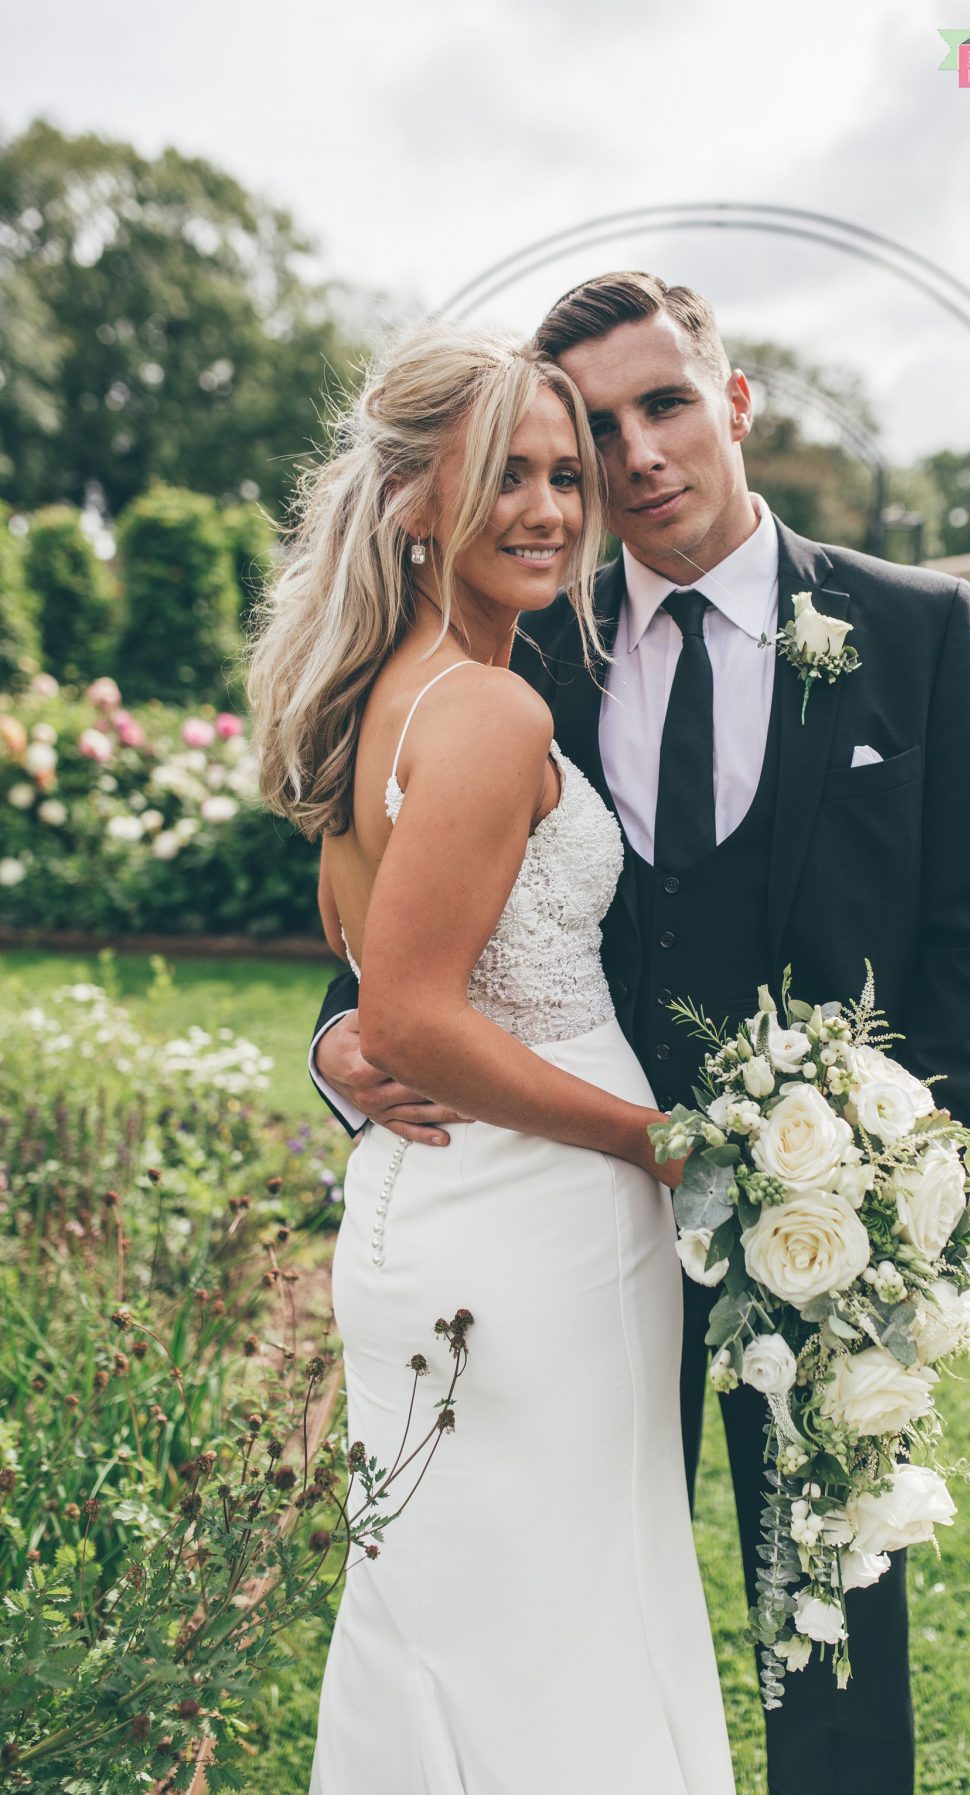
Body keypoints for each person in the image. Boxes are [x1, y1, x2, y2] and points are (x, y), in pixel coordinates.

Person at [311, 274, 970, 1795]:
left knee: (829, 1598)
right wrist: (341, 1044)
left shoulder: (910, 630)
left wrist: (899, 1186)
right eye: (587, 435)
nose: (628, 460)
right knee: (578, 1567)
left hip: (812, 1223)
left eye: (662, 407)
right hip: (580, 1211)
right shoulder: (526, 641)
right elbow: (416, 889)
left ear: (734, 403)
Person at [249, 319, 737, 1795]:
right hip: (530, 1231)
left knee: (472, 1607)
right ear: (412, 505)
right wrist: (651, 1143)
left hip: (444, 1210)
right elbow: (407, 1020)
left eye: (559, 476)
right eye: (501, 480)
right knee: (547, 1621)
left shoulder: (381, 694)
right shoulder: (488, 705)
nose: (546, 509)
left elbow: (378, 986)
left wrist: (353, 1041)